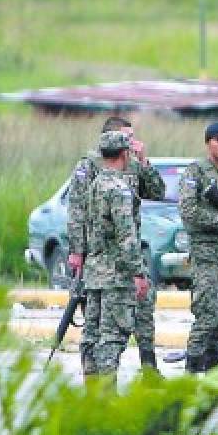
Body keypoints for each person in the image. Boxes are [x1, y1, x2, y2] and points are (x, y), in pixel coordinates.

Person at [66, 116, 164, 376]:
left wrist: (144, 161)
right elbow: (77, 209)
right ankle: (96, 378)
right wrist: (78, 250)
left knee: (141, 312)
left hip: (126, 255)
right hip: (103, 258)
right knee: (102, 326)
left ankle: (149, 367)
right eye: (127, 138)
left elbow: (158, 192)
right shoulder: (90, 167)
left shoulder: (131, 166)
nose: (133, 143)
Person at [84, 131, 150, 384]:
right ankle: (104, 394)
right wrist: (138, 273)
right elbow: (126, 235)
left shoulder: (96, 184)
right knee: (112, 337)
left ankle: (91, 390)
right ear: (125, 154)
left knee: (92, 335)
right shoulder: (119, 189)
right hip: (116, 275)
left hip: (95, 272)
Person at [178, 122, 218, 373]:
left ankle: (215, 372)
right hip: (206, 252)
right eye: (217, 140)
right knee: (207, 315)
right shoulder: (196, 172)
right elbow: (188, 211)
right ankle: (192, 370)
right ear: (208, 143)